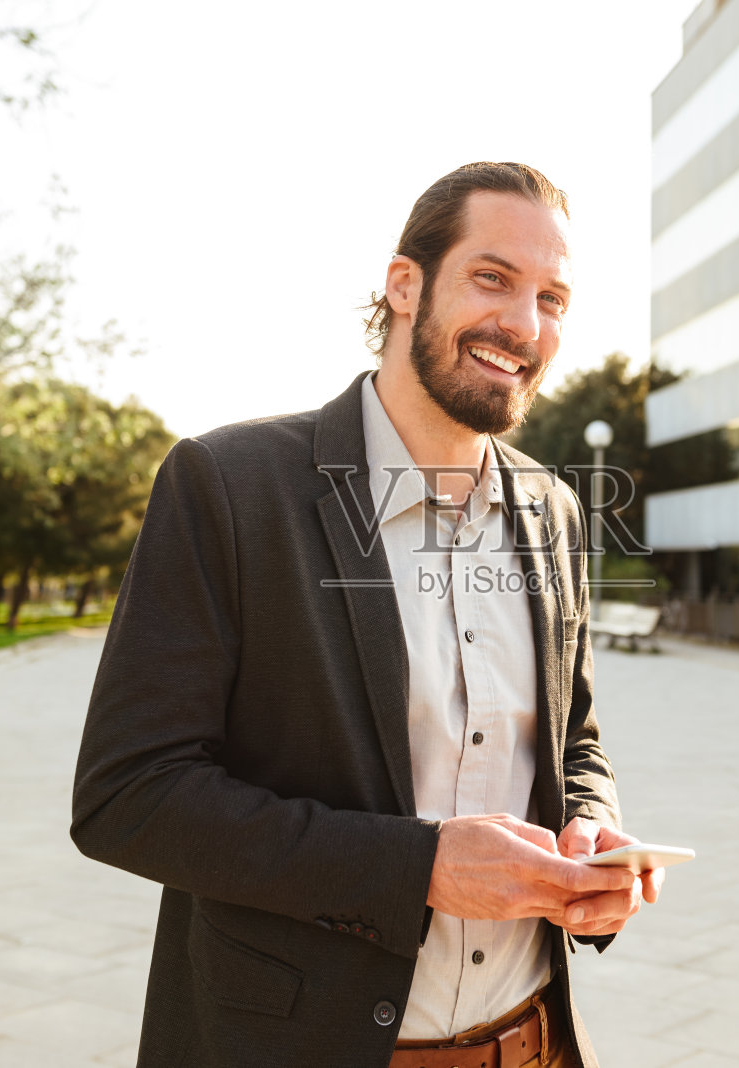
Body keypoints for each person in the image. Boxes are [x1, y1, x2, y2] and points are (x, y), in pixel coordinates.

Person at [71, 161, 664, 1068]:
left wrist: (593, 832)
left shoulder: (556, 510)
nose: (523, 324)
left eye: (553, 299)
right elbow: (130, 797)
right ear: (404, 284)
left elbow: (574, 739)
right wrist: (417, 866)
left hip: (531, 1041)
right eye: (493, 278)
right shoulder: (229, 487)